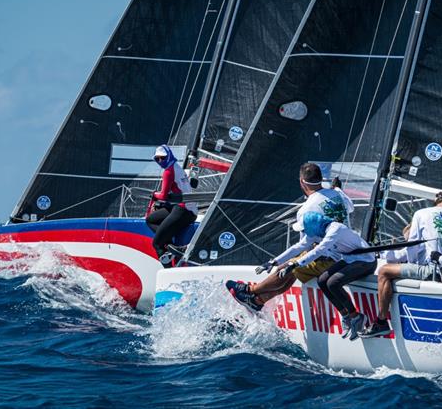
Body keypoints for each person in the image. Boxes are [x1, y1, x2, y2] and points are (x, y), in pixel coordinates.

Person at [226, 163, 353, 311]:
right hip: (345, 251)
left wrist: (274, 261)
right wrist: (336, 190)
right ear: (321, 179)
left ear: (301, 181)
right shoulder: (338, 194)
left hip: (332, 257)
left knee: (290, 267)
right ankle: (259, 300)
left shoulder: (307, 209)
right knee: (293, 268)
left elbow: (303, 244)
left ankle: (250, 291)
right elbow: (350, 207)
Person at [361, 192, 442, 338]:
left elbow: (411, 246)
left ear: (435, 202)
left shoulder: (422, 213)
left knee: (384, 271)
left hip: (433, 270)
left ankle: (381, 322)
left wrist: (412, 265)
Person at [278, 212, 376, 340]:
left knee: (333, 283)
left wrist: (295, 264)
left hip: (366, 261)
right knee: (322, 280)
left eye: (305, 228)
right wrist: (274, 261)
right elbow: (299, 246)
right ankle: (345, 315)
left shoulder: (336, 229)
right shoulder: (317, 232)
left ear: (313, 226)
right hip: (350, 259)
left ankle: (356, 316)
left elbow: (319, 250)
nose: (304, 231)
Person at [145, 145, 198, 267]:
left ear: (168, 156)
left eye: (162, 158)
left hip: (184, 210)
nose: (160, 161)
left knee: (157, 244)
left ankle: (169, 272)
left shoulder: (168, 172)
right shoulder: (176, 167)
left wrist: (153, 195)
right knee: (151, 220)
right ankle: (171, 246)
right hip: (186, 209)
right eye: (157, 159)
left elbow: (163, 196)